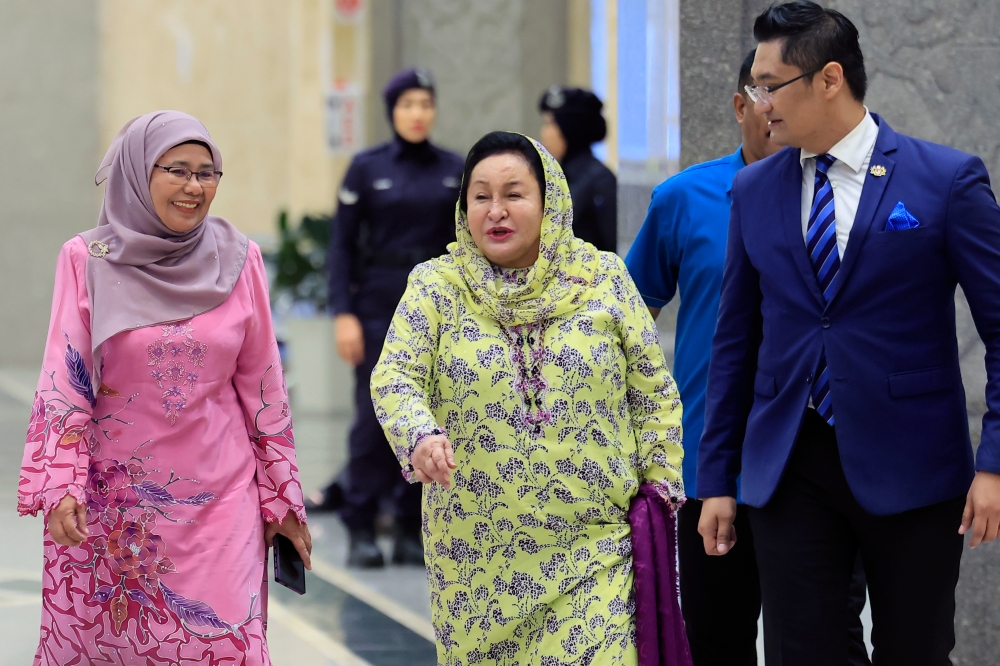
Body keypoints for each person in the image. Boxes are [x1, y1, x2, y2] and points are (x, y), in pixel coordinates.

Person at [697, 3, 1000, 664]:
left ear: (829, 78)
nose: (757, 103)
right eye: (755, 86)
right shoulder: (753, 190)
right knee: (803, 651)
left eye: (769, 85)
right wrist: (716, 477)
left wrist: (995, 462)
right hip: (790, 463)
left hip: (915, 467)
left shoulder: (946, 181)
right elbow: (734, 345)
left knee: (913, 651)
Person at [371, 131, 687, 664]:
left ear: (550, 201)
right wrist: (419, 435)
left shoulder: (604, 279)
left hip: (596, 551)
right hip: (477, 564)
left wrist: (659, 489)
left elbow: (653, 393)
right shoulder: (436, 287)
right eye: (480, 196)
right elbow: (395, 376)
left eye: (514, 194)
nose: (496, 211)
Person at [17, 111, 310, 665]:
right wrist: (61, 484)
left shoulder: (240, 259)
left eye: (208, 172)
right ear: (137, 172)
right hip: (115, 509)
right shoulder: (88, 260)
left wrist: (282, 494)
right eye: (177, 169)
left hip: (222, 499)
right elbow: (64, 381)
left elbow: (264, 387)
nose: (194, 187)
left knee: (223, 645)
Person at [627, 50, 870, 666]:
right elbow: (623, 323)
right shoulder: (683, 199)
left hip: (813, 464)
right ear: (741, 106)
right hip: (710, 465)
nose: (778, 110)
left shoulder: (846, 199)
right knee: (714, 639)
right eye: (765, 94)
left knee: (828, 637)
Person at [313, 67, 464, 568]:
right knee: (374, 418)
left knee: (432, 416)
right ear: (392, 111)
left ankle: (407, 525)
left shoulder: (453, 169)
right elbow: (341, 248)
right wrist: (344, 314)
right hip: (378, 304)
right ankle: (360, 522)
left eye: (425, 103)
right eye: (407, 105)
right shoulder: (366, 168)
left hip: (437, 309)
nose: (417, 114)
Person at [538, 86, 618, 252]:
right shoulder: (552, 175)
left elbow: (609, 246)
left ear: (570, 129)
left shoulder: (600, 180)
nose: (544, 133)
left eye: (551, 124)